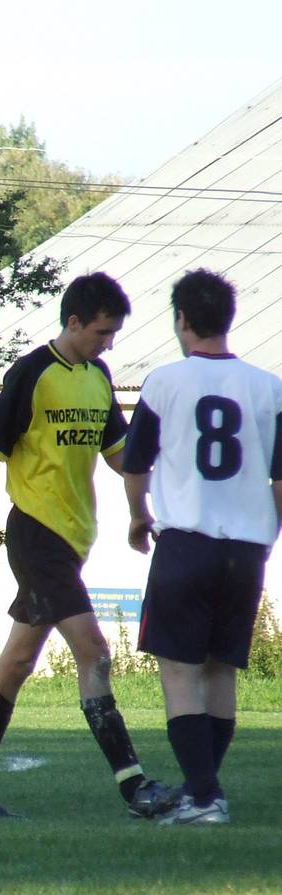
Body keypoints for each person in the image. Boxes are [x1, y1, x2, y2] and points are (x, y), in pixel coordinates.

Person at [0, 271, 172, 820]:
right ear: (73, 322)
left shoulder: (98, 376)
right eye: (101, 332)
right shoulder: (33, 372)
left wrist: (157, 495)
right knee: (95, 651)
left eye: (113, 333)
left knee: (17, 661)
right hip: (35, 534)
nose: (108, 343)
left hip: (73, 540)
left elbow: (119, 456)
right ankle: (135, 787)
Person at [122, 269, 282, 826]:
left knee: (180, 672)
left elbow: (136, 463)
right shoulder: (268, 387)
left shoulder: (165, 381)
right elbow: (280, 479)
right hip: (246, 548)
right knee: (220, 671)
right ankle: (201, 789)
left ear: (182, 319)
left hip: (187, 541)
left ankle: (205, 797)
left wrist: (138, 516)